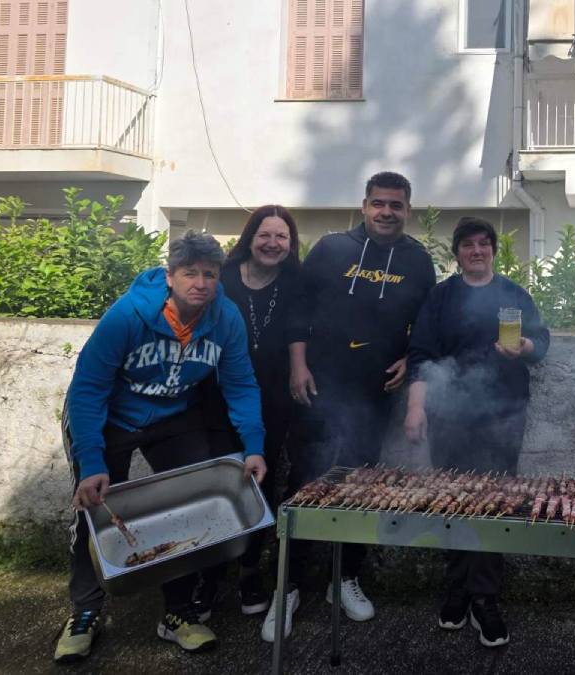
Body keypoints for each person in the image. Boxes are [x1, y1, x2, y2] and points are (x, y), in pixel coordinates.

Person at [54, 231, 267, 663]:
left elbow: (241, 384)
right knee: (93, 509)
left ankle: (177, 613)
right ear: (170, 276)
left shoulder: (225, 319)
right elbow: (88, 389)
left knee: (188, 505)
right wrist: (92, 460)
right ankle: (86, 611)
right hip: (107, 417)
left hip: (173, 416)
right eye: (190, 273)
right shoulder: (128, 315)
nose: (201, 283)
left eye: (209, 274)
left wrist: (254, 446)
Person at [281, 171, 436, 638]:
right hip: (318, 387)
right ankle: (288, 584)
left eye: (396, 205)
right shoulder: (331, 249)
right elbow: (298, 312)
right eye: (379, 203)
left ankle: (345, 578)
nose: (387, 212)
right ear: (364, 205)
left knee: (361, 485)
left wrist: (410, 360)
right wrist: (298, 366)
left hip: (375, 393)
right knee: (303, 480)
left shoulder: (418, 260)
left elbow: (426, 329)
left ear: (407, 210)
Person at [403, 217, 550, 649]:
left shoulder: (514, 295)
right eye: (468, 245)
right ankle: (456, 589)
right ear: (458, 253)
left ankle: (485, 597)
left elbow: (541, 342)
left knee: (493, 507)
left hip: (503, 414)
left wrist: (524, 347)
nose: (477, 251)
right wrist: (415, 406)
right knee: (450, 501)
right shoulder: (441, 298)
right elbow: (421, 354)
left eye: (484, 244)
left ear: (492, 251)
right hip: (449, 415)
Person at [196, 205, 302, 636]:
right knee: (215, 485)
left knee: (259, 482)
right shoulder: (220, 277)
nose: (273, 243)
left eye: (282, 237)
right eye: (265, 235)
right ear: (250, 236)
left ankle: (249, 570)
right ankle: (208, 575)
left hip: (273, 400)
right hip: (214, 397)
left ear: (290, 245)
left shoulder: (296, 283)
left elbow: (305, 332)